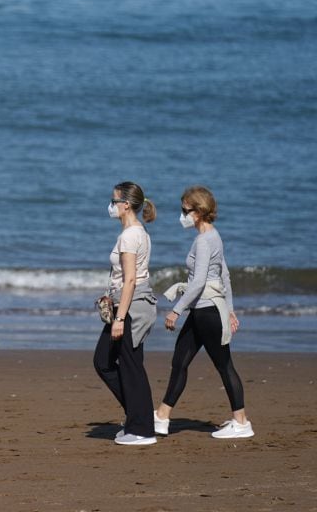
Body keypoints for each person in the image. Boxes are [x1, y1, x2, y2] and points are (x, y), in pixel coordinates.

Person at [154, 185, 254, 439]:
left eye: (185, 210)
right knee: (180, 361)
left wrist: (176, 311)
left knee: (224, 365)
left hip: (207, 311)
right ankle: (162, 416)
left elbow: (199, 282)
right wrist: (230, 310)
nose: (182, 215)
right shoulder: (214, 236)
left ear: (198, 212)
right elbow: (226, 276)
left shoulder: (203, 241)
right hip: (203, 311)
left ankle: (241, 422)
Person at [93, 181, 159, 445]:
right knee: (109, 362)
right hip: (128, 303)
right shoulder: (136, 232)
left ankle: (142, 429)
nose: (111, 206)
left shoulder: (130, 235)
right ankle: (138, 418)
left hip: (131, 308)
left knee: (125, 366)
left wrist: (120, 317)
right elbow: (125, 277)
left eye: (114, 201)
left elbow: (131, 279)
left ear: (126, 205)